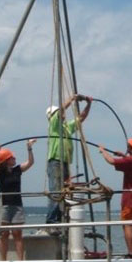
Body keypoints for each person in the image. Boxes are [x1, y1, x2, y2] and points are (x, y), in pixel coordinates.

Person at [45, 94, 92, 227]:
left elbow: (80, 118)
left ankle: (60, 219)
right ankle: (52, 221)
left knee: (64, 191)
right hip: (55, 161)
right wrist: (71, 99)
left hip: (64, 162)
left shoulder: (66, 128)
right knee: (56, 191)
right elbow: (60, 112)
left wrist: (88, 104)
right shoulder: (54, 125)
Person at [0, 139, 36, 260]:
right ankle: (3, 261)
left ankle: (20, 261)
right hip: (3, 205)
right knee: (4, 234)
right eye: (12, 157)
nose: (14, 158)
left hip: (17, 205)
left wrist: (29, 148)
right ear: (6, 160)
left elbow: (30, 162)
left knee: (17, 234)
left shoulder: (17, 170)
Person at [99, 136, 132, 258]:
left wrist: (103, 151)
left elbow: (111, 161)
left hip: (130, 198)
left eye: (129, 146)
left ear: (131, 148)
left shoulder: (131, 161)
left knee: (128, 224)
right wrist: (123, 156)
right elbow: (129, 161)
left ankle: (131, 254)